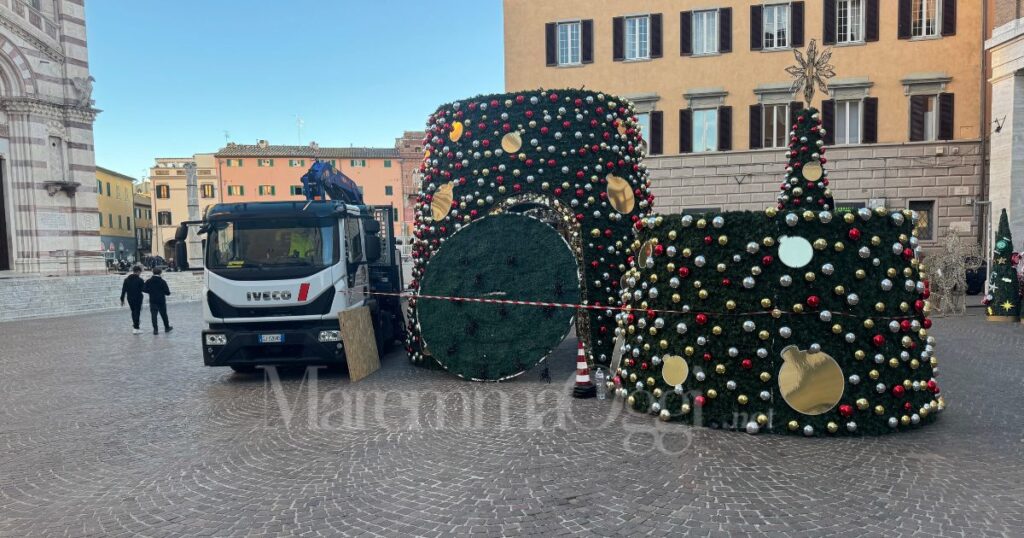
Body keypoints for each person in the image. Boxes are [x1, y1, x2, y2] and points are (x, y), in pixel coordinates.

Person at [143, 268, 173, 335]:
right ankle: (167, 327)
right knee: (164, 314)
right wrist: (162, 292)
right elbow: (168, 292)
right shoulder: (162, 281)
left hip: (153, 300)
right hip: (161, 300)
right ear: (160, 273)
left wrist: (150, 291)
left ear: (153, 272)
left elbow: (144, 289)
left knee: (154, 315)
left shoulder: (148, 281)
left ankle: (155, 330)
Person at [120, 265, 145, 334]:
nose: (140, 273)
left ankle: (135, 325)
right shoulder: (140, 280)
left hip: (130, 298)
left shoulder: (126, 280)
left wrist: (122, 299)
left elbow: (123, 290)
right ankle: (136, 328)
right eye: (140, 272)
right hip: (138, 298)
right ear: (138, 271)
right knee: (137, 312)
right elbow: (144, 289)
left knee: (133, 311)